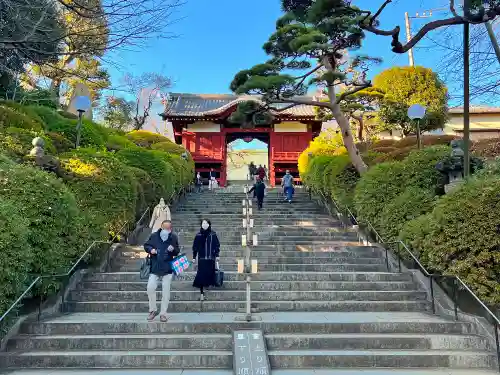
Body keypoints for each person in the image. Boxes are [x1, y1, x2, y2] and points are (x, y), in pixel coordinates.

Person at [144, 220, 180, 322]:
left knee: (166, 292)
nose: (167, 230)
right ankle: (153, 310)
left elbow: (177, 251)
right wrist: (151, 250)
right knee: (150, 288)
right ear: (161, 227)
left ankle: (163, 313)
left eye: (169, 228)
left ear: (171, 229)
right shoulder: (154, 236)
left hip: (167, 267)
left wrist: (173, 249)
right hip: (155, 267)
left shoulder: (173, 237)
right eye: (165, 228)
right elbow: (146, 245)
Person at [192, 219, 220, 301]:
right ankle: (201, 292)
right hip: (202, 258)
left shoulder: (213, 234)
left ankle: (207, 285)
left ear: (209, 224)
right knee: (201, 274)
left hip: (211, 258)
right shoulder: (198, 235)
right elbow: (195, 247)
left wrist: (217, 255)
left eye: (206, 223)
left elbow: (216, 245)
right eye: (203, 223)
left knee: (209, 273)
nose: (204, 224)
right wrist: (194, 257)